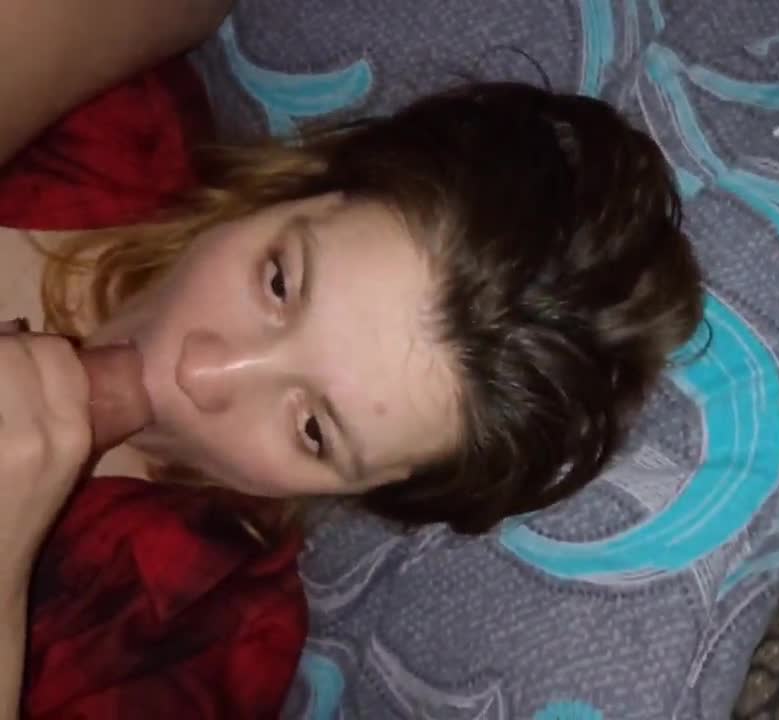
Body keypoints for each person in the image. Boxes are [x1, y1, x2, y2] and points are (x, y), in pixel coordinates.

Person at [0, 2, 704, 717]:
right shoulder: (108, 126)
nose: (202, 372)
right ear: (307, 187)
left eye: (313, 430)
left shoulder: (201, 628)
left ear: (370, 489)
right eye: (278, 282)